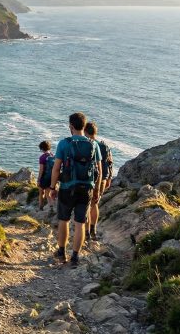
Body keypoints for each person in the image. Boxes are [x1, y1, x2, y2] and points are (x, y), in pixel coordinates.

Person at [48, 112, 102, 267]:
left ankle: (62, 251)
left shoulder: (64, 144)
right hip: (87, 189)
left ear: (71, 126)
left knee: (63, 220)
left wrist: (52, 187)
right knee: (80, 223)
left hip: (67, 188)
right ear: (84, 126)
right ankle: (75, 257)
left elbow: (56, 168)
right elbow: (99, 171)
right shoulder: (94, 144)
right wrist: (97, 190)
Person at [84, 122, 113, 241]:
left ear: (85, 132)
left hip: (90, 179)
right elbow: (110, 162)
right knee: (95, 204)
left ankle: (86, 233)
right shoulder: (104, 145)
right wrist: (109, 178)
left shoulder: (88, 145)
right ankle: (93, 230)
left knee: (86, 206)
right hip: (103, 179)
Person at [37, 141, 55, 211]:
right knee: (48, 193)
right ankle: (51, 206)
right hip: (52, 177)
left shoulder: (42, 157)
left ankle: (40, 207)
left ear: (41, 148)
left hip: (44, 178)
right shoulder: (52, 155)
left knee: (41, 192)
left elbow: (41, 170)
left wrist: (38, 180)